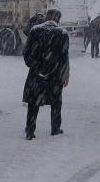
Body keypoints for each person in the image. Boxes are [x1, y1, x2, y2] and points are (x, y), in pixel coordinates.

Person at [22, 9, 70, 140]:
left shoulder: (35, 31)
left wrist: (36, 67)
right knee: (56, 103)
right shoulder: (62, 33)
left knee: (33, 103)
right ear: (58, 19)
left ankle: (30, 131)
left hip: (35, 75)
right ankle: (55, 128)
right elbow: (64, 57)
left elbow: (26, 53)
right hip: (55, 75)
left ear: (46, 17)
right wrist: (64, 75)